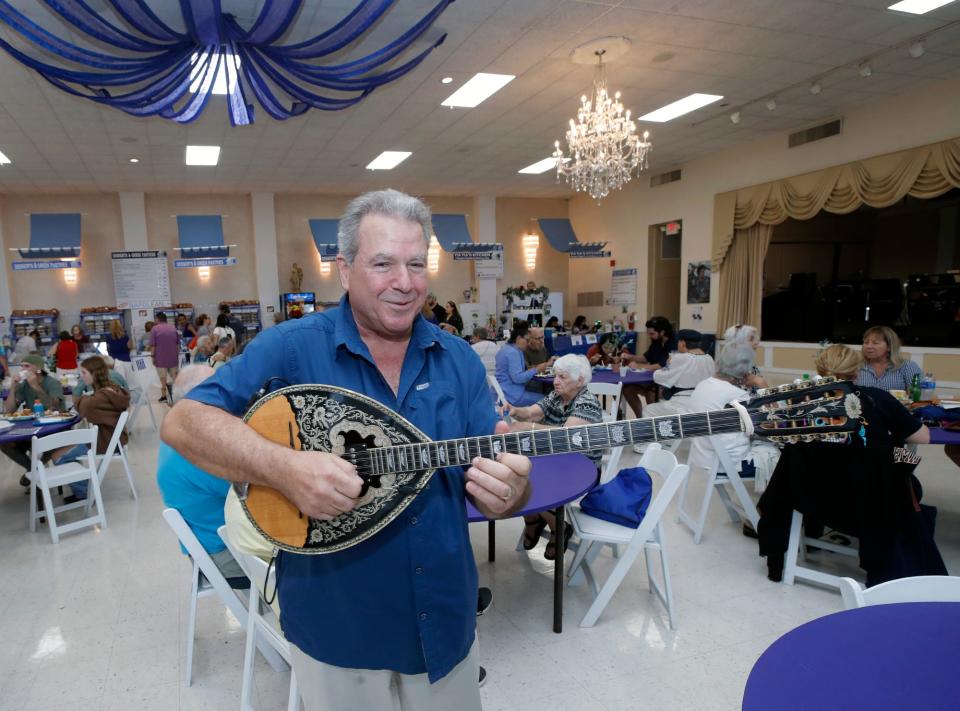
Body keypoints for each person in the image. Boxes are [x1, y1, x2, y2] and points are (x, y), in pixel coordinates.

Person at [161, 188, 531, 711]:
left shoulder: (459, 360)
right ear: (345, 269)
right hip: (338, 632)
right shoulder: (290, 347)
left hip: (445, 621)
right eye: (383, 264)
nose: (404, 283)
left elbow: (496, 475)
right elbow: (183, 422)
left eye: (415, 264)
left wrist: (511, 491)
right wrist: (284, 468)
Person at [759, 345, 933, 584]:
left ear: (820, 369)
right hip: (868, 501)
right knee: (907, 470)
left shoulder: (799, 403)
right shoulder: (877, 399)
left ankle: (793, 555)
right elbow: (923, 437)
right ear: (857, 371)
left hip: (809, 494)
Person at [158, 365, 248, 587]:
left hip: (209, 545)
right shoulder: (201, 452)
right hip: (225, 555)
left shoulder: (176, 434)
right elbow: (256, 496)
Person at [505, 354, 603, 560]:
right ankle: (535, 519)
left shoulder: (587, 403)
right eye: (556, 376)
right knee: (514, 474)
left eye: (563, 377)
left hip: (581, 469)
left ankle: (556, 525)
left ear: (580, 380)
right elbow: (532, 412)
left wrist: (527, 427)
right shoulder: (557, 396)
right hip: (554, 460)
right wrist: (515, 410)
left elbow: (565, 436)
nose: (555, 381)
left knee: (528, 481)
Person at [51, 355, 130, 502]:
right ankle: (83, 486)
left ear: (94, 374)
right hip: (113, 439)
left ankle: (84, 493)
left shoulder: (100, 397)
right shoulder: (113, 389)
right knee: (64, 447)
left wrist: (83, 396)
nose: (82, 377)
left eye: (84, 373)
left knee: (57, 455)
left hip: (104, 441)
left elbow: (83, 408)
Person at [2, 353, 66, 485]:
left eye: (26, 366)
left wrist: (36, 387)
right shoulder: (24, 385)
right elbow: (9, 410)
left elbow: (54, 408)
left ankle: (32, 471)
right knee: (5, 444)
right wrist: (13, 388)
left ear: (38, 368)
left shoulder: (52, 383)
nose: (22, 370)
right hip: (33, 428)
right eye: (21, 367)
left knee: (47, 445)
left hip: (54, 428)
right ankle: (33, 469)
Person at [644, 329, 715, 418]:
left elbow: (661, 377)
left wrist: (667, 364)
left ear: (682, 343)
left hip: (683, 402)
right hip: (703, 401)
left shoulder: (681, 358)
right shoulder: (709, 358)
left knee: (648, 410)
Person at [495, 321, 553, 407]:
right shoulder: (513, 353)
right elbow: (518, 378)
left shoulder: (506, 349)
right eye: (527, 340)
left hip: (503, 392)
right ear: (518, 338)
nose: (529, 343)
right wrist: (537, 369)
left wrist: (536, 368)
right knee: (549, 400)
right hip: (512, 396)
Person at [856, 325, 923, 392]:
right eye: (866, 342)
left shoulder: (907, 366)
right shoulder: (857, 366)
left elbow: (918, 396)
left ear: (889, 347)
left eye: (875, 343)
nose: (869, 346)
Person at [723, 324, 768, 390]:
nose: (756, 343)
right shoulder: (729, 368)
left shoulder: (748, 362)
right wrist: (761, 382)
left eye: (755, 339)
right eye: (751, 339)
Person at [149, 312, 180, 404]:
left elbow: (152, 345)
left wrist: (153, 357)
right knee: (175, 378)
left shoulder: (154, 329)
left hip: (160, 358)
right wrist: (176, 355)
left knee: (163, 378)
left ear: (157, 319)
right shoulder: (173, 328)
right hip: (173, 358)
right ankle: (177, 396)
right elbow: (177, 344)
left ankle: (164, 396)